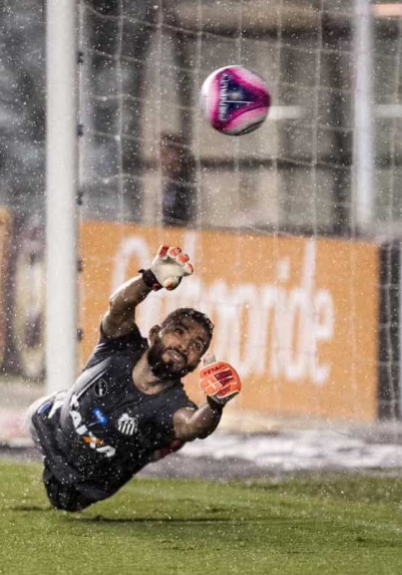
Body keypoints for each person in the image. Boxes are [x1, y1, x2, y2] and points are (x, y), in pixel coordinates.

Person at [25, 245, 241, 512]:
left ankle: (153, 446)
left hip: (83, 481)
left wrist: (216, 404)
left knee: (65, 503)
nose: (185, 345)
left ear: (197, 364)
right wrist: (150, 278)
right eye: (179, 332)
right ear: (153, 334)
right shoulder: (119, 346)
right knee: (37, 412)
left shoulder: (172, 404)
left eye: (197, 345)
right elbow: (119, 305)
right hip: (49, 425)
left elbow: (194, 426)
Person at [159, 132, 196, 226]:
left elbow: (193, 215)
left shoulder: (187, 184)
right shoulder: (169, 183)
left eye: (167, 151)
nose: (162, 156)